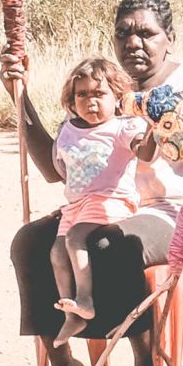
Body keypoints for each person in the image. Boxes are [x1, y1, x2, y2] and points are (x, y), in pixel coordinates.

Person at [4, 0, 183, 366]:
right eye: (124, 33)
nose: (134, 42)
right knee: (30, 243)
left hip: (174, 213)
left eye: (146, 33)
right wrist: (20, 96)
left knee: (114, 243)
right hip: (100, 206)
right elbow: (59, 167)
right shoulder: (102, 92)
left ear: (170, 38)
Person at [49, 56, 149, 346]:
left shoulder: (123, 127)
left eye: (99, 94)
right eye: (82, 95)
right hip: (76, 205)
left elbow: (141, 149)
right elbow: (61, 169)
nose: (90, 102)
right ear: (71, 98)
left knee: (76, 238)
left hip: (111, 199)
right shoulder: (67, 130)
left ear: (117, 96)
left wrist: (152, 132)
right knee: (57, 251)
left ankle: (85, 299)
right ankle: (72, 314)